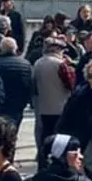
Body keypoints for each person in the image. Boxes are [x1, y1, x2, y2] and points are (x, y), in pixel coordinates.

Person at [33, 38, 74, 168]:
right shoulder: (60, 64)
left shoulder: (37, 63)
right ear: (57, 50)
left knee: (45, 137)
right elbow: (70, 84)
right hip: (61, 107)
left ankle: (43, 164)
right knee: (60, 139)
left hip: (43, 107)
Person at [0, 38, 33, 132]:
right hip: (20, 99)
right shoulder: (26, 64)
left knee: (1, 125)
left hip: (3, 99)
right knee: (15, 122)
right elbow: (30, 82)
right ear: (15, 48)